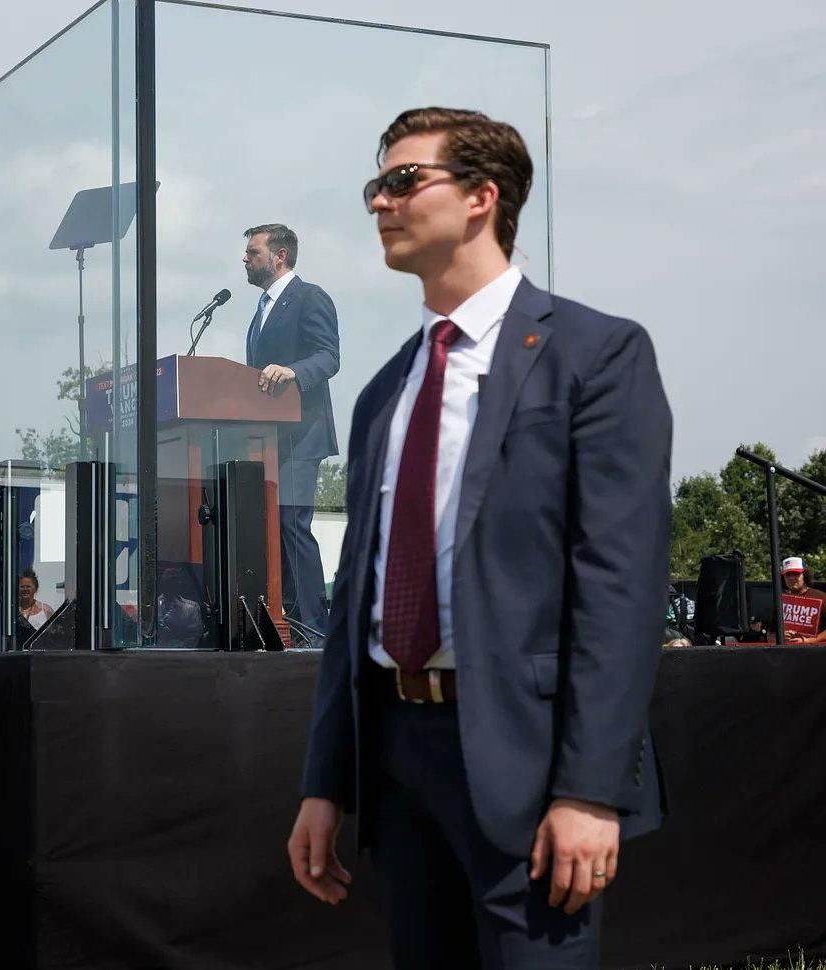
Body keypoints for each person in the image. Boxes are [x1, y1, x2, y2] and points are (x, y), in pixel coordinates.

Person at [290, 108, 671, 968]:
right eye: (373, 186)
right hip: (397, 760)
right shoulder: (385, 387)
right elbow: (356, 593)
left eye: (401, 181)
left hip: (530, 768)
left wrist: (588, 789)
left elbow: (620, 585)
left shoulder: (596, 355)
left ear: (480, 198)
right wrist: (325, 782)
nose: (379, 203)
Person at [241, 224, 340, 644]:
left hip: (301, 433)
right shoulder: (259, 312)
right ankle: (288, 621)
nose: (245, 259)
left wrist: (294, 372)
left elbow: (329, 356)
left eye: (253, 252)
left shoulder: (309, 297)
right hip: (267, 437)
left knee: (291, 523)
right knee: (273, 526)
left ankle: (315, 629)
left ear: (279, 256)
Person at [781, 557, 826, 644]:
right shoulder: (781, 600)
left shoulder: (821, 597)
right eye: (788, 575)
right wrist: (780, 636)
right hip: (786, 654)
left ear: (804, 575)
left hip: (815, 653)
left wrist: (809, 640)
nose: (791, 578)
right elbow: (770, 633)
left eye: (796, 574)